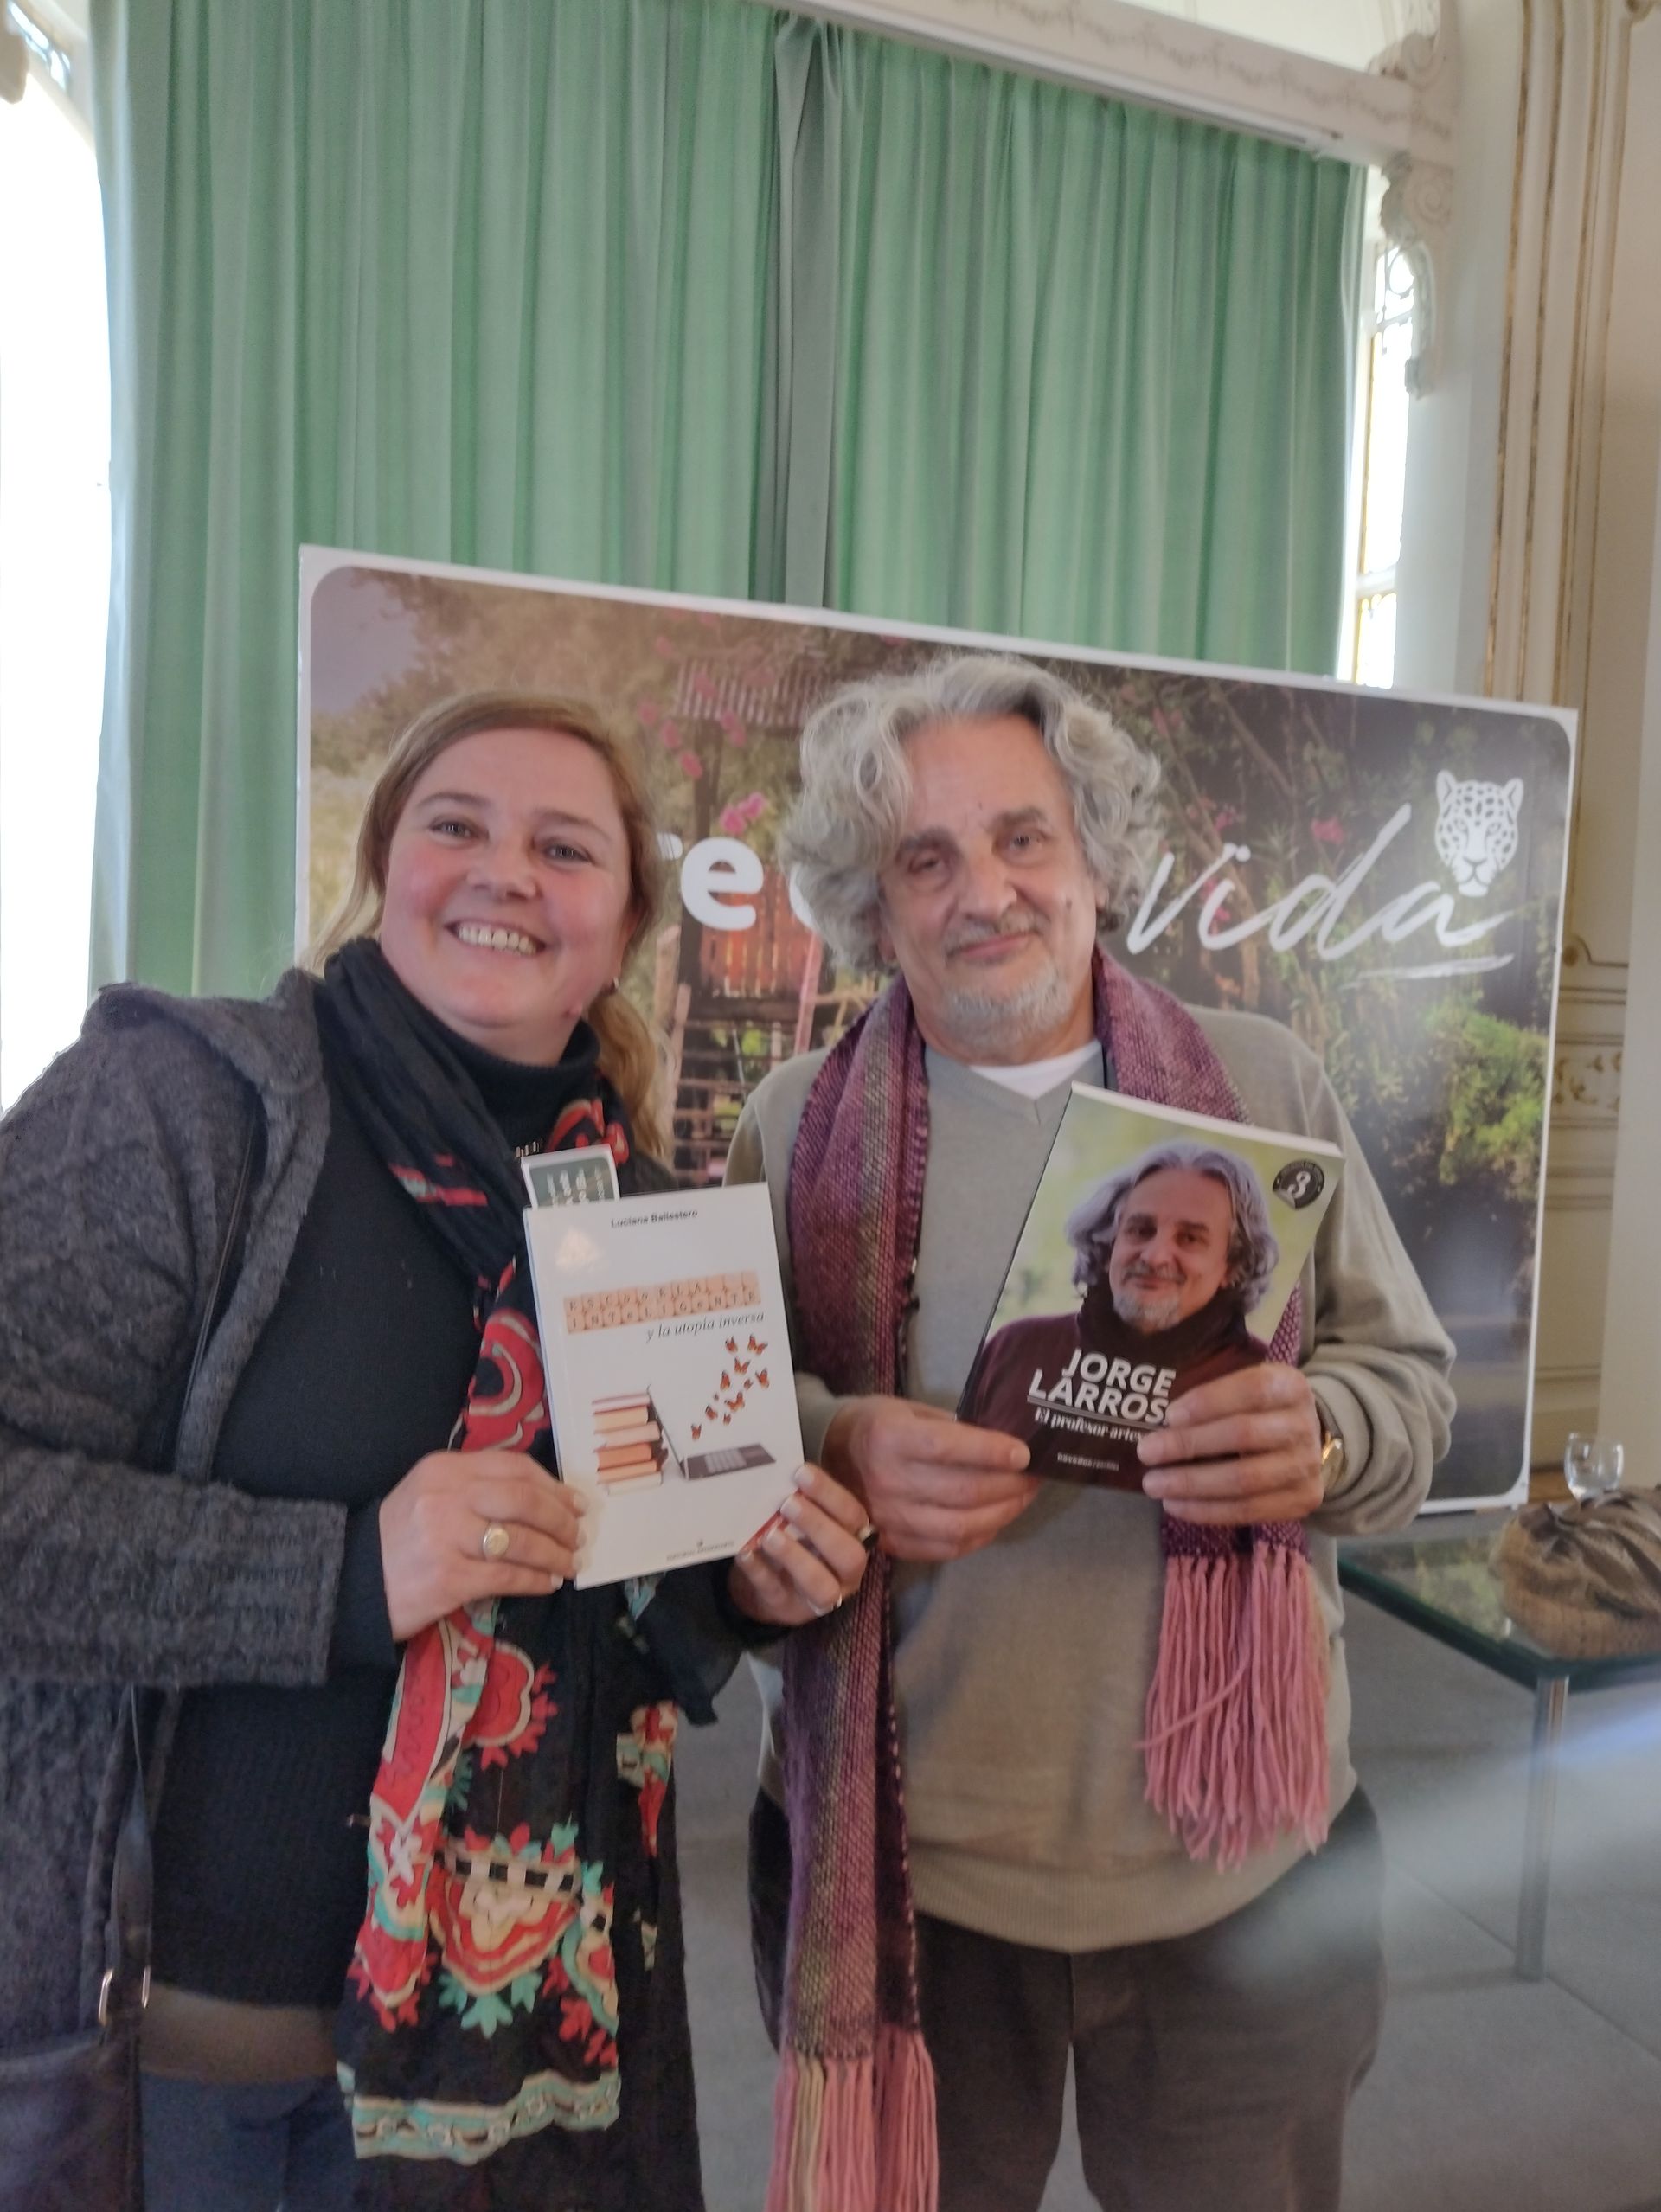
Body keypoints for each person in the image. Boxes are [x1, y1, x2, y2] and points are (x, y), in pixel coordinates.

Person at [0, 691, 870, 2212]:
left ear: (623, 923)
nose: (506, 872)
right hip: (177, 2075)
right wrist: (347, 1572)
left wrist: (749, 1589)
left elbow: (644, 1601)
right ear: (384, 865)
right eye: (457, 825)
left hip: (516, 2088)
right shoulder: (180, 1108)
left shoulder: (646, 1218)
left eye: (565, 848)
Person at [726, 653, 1455, 2212]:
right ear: (872, 904)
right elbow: (716, 1430)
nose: (984, 892)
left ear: (1097, 857)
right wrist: (836, 1440)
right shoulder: (793, 1125)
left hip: (1247, 1871)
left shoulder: (1262, 1085)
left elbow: (1410, 1388)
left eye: (1023, 838)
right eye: (926, 857)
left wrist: (1321, 1439)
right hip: (910, 1888)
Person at [963, 1142, 1276, 1486]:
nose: (1154, 1256)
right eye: (1141, 1231)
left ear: (1233, 1266)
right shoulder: (1018, 1346)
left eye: (1189, 1238)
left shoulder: (1256, 1380)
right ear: (1110, 1241)